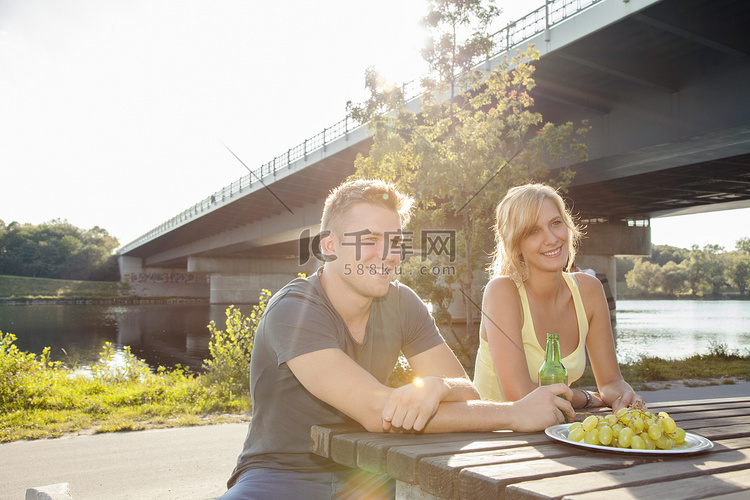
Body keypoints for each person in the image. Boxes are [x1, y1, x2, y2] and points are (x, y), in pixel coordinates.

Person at [219, 179, 574, 500]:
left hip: (374, 474)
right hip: (280, 476)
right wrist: (513, 413)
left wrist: (439, 387)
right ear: (329, 246)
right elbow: (380, 412)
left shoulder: (402, 302)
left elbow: (467, 393)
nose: (387, 255)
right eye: (369, 240)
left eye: (395, 242)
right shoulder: (294, 310)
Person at [473, 183, 643, 412]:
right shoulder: (502, 292)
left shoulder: (589, 290)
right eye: (533, 231)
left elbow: (611, 381)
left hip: (553, 430)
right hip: (496, 438)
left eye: (555, 223)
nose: (552, 239)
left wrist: (623, 396)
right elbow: (521, 395)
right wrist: (584, 397)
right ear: (516, 245)